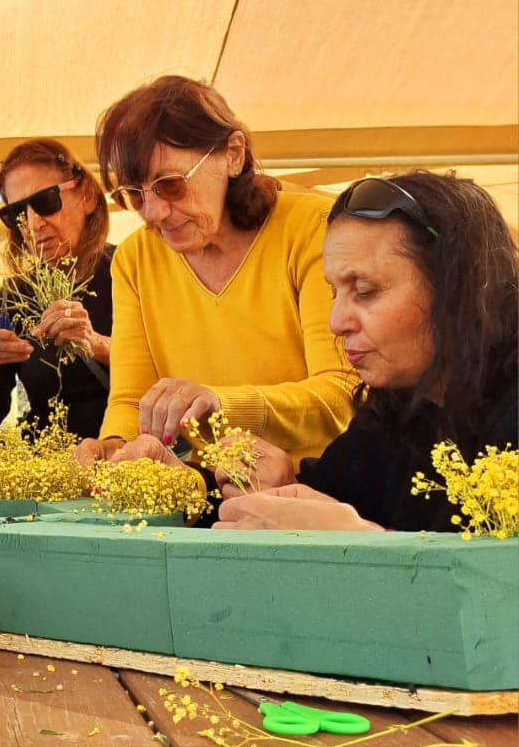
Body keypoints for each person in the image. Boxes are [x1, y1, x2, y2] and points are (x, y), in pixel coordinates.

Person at [214, 173, 518, 531]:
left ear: (453, 288)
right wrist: (277, 489)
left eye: (364, 290)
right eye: (333, 292)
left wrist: (368, 542)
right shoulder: (395, 410)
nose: (336, 322)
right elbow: (330, 497)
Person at [84, 75, 355, 464]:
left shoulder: (312, 228)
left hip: (320, 491)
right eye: (134, 195)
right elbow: (131, 400)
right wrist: (111, 447)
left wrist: (221, 405)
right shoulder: (134, 260)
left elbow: (341, 394)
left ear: (233, 154)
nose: (154, 212)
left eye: (171, 184)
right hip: (206, 493)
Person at [0, 139, 113, 440]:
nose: (33, 223)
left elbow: (171, 371)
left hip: (128, 463)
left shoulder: (130, 270)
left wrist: (95, 343)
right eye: (16, 213)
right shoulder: (15, 295)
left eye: (45, 202)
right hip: (51, 471)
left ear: (87, 196)